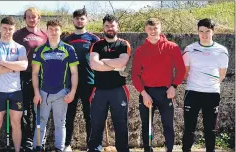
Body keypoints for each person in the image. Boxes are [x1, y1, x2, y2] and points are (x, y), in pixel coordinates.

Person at [131, 18, 186, 152]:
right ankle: (147, 150)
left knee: (168, 125)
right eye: (150, 28)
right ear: (145, 30)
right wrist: (143, 94)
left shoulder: (172, 47)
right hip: (147, 92)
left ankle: (169, 149)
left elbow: (181, 69)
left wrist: (174, 86)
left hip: (166, 92)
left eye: (155, 28)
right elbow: (135, 75)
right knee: (147, 125)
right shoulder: (140, 51)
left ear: (160, 29)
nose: (153, 31)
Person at [181, 18, 229, 152]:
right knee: (189, 127)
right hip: (192, 92)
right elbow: (185, 73)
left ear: (213, 31)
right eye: (201, 31)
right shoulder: (189, 49)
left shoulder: (222, 51)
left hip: (212, 94)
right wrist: (197, 83)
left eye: (207, 31)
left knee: (210, 129)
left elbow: (222, 74)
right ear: (197, 32)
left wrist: (209, 85)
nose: (204, 34)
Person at [31, 20, 79, 152]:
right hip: (43, 94)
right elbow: (35, 73)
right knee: (40, 123)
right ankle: (38, 147)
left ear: (60, 31)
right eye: (50, 29)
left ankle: (60, 148)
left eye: (56, 29)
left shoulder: (69, 49)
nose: (53, 32)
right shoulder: (39, 50)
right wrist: (36, 93)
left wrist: (72, 92)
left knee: (60, 124)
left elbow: (74, 73)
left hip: (61, 94)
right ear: (46, 31)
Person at [87, 14, 131, 152]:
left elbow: (122, 62)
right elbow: (94, 65)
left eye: (112, 25)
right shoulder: (97, 45)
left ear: (117, 27)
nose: (110, 28)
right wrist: (115, 65)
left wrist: (104, 61)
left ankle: (123, 149)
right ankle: (95, 149)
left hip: (118, 90)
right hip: (99, 90)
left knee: (121, 124)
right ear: (103, 28)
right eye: (107, 26)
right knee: (96, 124)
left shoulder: (123, 44)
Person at [0, 16, 28, 152]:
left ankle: (17, 150)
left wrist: (3, 63)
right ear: (0, 28)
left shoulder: (20, 48)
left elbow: (24, 65)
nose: (7, 31)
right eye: (5, 28)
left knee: (16, 123)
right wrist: (14, 67)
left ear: (14, 30)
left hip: (16, 91)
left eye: (10, 29)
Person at [61, 8, 100, 151]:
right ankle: (66, 145)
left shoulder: (94, 39)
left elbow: (100, 60)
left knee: (89, 116)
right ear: (73, 20)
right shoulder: (66, 40)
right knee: (68, 115)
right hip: (69, 84)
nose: (79, 20)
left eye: (82, 18)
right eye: (77, 18)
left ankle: (92, 146)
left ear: (86, 20)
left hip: (89, 83)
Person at [12, 7, 48, 151]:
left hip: (40, 77)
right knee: (25, 111)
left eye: (34, 17)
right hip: (22, 76)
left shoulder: (45, 35)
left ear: (39, 18)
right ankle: (26, 142)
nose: (31, 19)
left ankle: (38, 141)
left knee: (39, 110)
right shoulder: (18, 35)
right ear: (24, 18)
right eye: (28, 17)